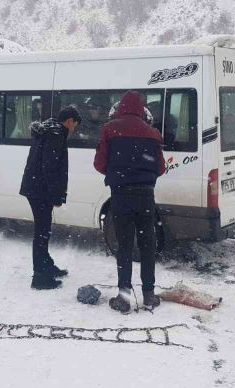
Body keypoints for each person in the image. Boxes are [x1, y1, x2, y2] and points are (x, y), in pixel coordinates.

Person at [94, 91, 166, 313]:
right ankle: (149, 295)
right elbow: (160, 168)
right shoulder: (153, 134)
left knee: (124, 246)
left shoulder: (109, 129)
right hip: (146, 196)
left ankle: (124, 298)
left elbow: (99, 163)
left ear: (121, 107)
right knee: (147, 246)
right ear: (141, 108)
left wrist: (118, 173)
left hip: (121, 195)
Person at [19, 106, 81, 290]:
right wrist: (56, 195)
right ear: (69, 121)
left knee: (44, 230)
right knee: (42, 232)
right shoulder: (55, 134)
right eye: (75, 125)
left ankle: (46, 265)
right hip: (40, 190)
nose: (74, 129)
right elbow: (50, 168)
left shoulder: (50, 130)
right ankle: (39, 277)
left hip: (35, 188)